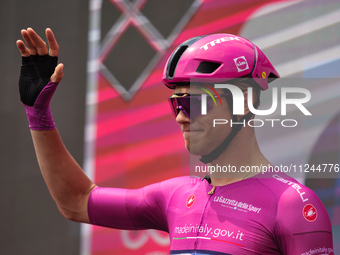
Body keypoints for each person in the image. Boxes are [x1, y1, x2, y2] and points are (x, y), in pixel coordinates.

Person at [17, 28, 334, 255]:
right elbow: (75, 201)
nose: (181, 117)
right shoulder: (175, 196)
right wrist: (38, 113)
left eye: (193, 103)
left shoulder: (293, 205)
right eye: (175, 104)